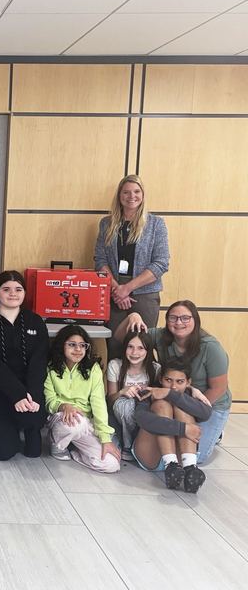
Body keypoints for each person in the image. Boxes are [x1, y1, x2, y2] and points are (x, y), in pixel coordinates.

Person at [116, 300, 230, 464]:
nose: (179, 323)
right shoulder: (160, 336)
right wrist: (132, 317)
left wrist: (193, 412)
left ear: (195, 320)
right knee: (169, 444)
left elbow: (218, 388)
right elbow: (122, 338)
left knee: (198, 456)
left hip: (209, 402)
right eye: (173, 318)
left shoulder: (210, 347)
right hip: (173, 394)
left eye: (185, 318)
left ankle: (216, 432)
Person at [0, 271, 48, 460]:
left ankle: (21, 424)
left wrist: (32, 395)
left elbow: (39, 362)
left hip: (26, 390)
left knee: (34, 448)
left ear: (24, 293)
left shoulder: (35, 321)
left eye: (18, 289)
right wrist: (16, 394)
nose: (13, 294)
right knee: (5, 452)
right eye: (6, 289)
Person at [94, 174, 169, 356]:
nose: (131, 196)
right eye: (126, 192)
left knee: (142, 347)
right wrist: (116, 289)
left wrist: (127, 288)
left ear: (142, 195)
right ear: (119, 195)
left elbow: (161, 263)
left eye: (136, 191)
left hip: (144, 293)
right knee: (115, 346)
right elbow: (100, 260)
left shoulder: (156, 224)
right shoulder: (106, 224)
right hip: (113, 292)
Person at [44, 325, 121, 473]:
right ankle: (57, 443)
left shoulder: (93, 369)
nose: (78, 349)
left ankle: (75, 451)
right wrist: (64, 406)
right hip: (61, 418)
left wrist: (105, 439)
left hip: (86, 422)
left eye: (82, 345)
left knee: (111, 465)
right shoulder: (50, 367)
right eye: (72, 344)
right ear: (62, 345)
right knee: (76, 424)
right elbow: (49, 401)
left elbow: (99, 404)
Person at [132, 358, 212, 493]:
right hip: (150, 455)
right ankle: (170, 465)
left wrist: (171, 395)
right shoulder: (149, 392)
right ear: (160, 379)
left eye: (179, 382)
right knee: (161, 404)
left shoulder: (189, 394)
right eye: (168, 380)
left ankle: (190, 468)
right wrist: (183, 428)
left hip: (181, 458)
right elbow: (142, 419)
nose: (173, 386)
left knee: (182, 407)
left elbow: (206, 413)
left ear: (188, 383)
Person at [105, 330, 161, 459]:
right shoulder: (115, 365)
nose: (134, 353)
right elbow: (110, 400)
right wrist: (122, 392)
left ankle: (136, 442)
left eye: (141, 348)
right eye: (130, 347)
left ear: (148, 351)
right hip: (119, 414)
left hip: (143, 411)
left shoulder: (155, 368)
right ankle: (127, 444)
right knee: (111, 454)